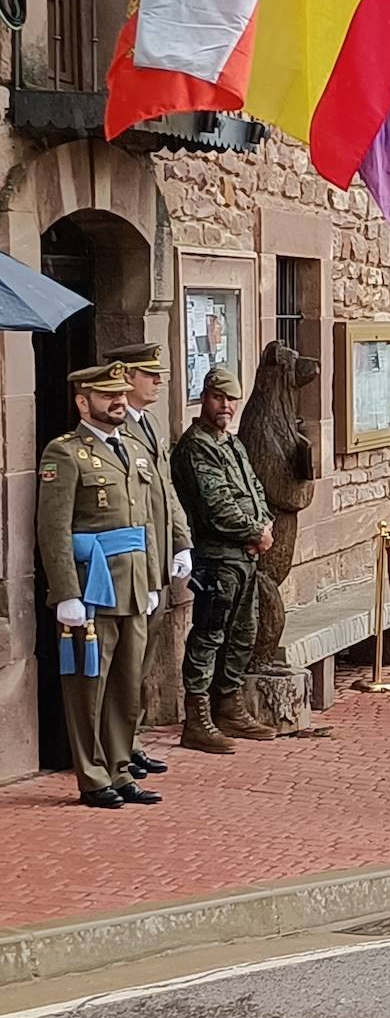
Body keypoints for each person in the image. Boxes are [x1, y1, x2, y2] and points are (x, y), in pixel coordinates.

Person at [37, 362, 161, 807]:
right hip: (92, 586)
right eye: (108, 395)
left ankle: (121, 767)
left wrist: (151, 577)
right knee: (89, 686)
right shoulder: (65, 453)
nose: (118, 402)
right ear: (82, 401)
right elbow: (53, 528)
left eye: (121, 394)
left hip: (132, 583)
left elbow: (145, 520)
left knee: (128, 685)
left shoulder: (133, 447)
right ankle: (92, 777)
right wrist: (66, 591)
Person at [170, 368, 279, 753]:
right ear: (205, 398)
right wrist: (254, 532)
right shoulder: (196, 446)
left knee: (243, 632)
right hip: (218, 557)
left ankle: (228, 705)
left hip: (245, 556)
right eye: (219, 399)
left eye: (232, 400)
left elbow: (255, 491)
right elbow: (217, 507)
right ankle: (197, 717)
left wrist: (263, 528)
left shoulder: (230, 444)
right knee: (209, 633)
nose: (226, 407)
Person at [104, 342, 192, 779]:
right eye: (149, 373)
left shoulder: (150, 424)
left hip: (156, 556)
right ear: (124, 376)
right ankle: (116, 745)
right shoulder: (117, 429)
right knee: (124, 662)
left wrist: (181, 541)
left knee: (143, 658)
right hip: (130, 558)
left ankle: (131, 738)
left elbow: (165, 489)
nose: (158, 380)